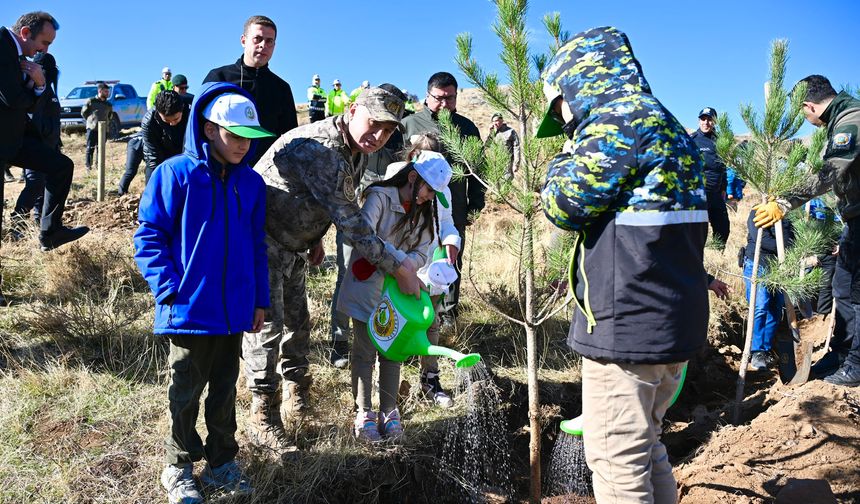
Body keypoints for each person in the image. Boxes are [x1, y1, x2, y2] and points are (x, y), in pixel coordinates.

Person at [537, 27, 708, 503]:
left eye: (560, 107)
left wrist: (559, 163)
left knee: (615, 463)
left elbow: (563, 205)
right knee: (646, 447)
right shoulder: (668, 124)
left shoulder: (618, 122)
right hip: (670, 321)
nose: (565, 121)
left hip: (629, 328)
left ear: (577, 84)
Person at [245, 85, 417, 455]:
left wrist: (314, 235)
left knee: (298, 325)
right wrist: (398, 267)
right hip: (261, 242)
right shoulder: (320, 148)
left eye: (388, 131)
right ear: (352, 109)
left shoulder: (352, 148)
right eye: (374, 124)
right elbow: (353, 224)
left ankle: (297, 400)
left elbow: (320, 198)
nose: (378, 136)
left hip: (292, 245)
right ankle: (264, 419)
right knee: (268, 330)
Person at [134, 83, 274, 504]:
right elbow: (149, 236)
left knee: (226, 389)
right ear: (210, 130)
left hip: (235, 310)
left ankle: (221, 463)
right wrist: (170, 289)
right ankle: (178, 466)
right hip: (190, 309)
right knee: (185, 389)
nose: (243, 146)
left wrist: (259, 299)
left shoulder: (251, 183)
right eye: (235, 136)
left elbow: (256, 244)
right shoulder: (175, 173)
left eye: (250, 138)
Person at [753, 75, 860, 387]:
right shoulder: (841, 118)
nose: (805, 120)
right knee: (842, 286)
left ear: (808, 105)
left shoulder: (851, 120)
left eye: (802, 114)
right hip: (854, 220)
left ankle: (856, 364)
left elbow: (829, 171)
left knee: (855, 292)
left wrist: (786, 201)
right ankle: (840, 354)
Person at [337, 150, 445, 441]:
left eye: (434, 194)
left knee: (391, 350)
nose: (429, 198)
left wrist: (409, 266)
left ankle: (389, 410)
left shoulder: (423, 212)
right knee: (364, 350)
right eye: (428, 190)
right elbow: (365, 236)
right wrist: (400, 265)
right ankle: (363, 412)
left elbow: (424, 249)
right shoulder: (380, 197)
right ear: (412, 177)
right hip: (367, 287)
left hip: (397, 293)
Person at [0, 11, 89, 305]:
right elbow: (11, 98)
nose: (46, 50)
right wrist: (37, 83)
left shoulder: (20, 56)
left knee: (61, 165)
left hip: (14, 140)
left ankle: (49, 232)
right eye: (44, 42)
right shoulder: (2, 46)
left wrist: (35, 85)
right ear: (25, 33)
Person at [401, 71, 484, 318]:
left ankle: (447, 314)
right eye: (439, 98)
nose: (445, 103)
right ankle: (414, 312)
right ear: (427, 96)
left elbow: (478, 170)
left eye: (450, 98)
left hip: (453, 208)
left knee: (450, 259)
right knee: (413, 260)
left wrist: (475, 204)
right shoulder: (410, 125)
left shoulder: (467, 128)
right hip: (413, 208)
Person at [391, 134, 461, 408]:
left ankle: (430, 379)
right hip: (398, 265)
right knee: (395, 322)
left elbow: (448, 223)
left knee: (430, 321)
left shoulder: (441, 188)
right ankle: (389, 385)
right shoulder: (394, 179)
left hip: (431, 264)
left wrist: (451, 242)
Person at [204, 15, 297, 166]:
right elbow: (198, 127)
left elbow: (290, 137)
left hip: (264, 176)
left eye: (269, 41)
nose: (263, 45)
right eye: (257, 39)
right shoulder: (219, 78)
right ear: (243, 40)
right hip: (219, 172)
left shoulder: (281, 88)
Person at [11, 50, 58, 237]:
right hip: (36, 145)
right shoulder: (35, 86)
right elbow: (32, 115)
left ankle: (38, 222)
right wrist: (46, 132)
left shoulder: (48, 88)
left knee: (43, 184)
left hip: (49, 146)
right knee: (35, 183)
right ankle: (17, 224)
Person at [742, 210, 795, 370]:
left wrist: (785, 247)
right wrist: (782, 247)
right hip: (758, 265)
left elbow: (793, 240)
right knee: (760, 307)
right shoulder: (758, 212)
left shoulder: (784, 216)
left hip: (778, 267)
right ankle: (756, 351)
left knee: (775, 308)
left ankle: (765, 348)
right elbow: (762, 240)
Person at [691, 107, 730, 249]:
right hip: (698, 194)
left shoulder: (720, 141)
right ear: (699, 120)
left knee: (723, 229)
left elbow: (723, 167)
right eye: (703, 119)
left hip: (716, 194)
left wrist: (724, 188)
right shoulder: (692, 140)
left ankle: (716, 257)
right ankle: (698, 262)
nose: (706, 122)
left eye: (709, 119)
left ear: (715, 122)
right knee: (697, 232)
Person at [81, 81, 112, 171]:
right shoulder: (91, 101)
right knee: (90, 149)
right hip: (92, 129)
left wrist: (107, 124)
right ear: (100, 91)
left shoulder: (108, 104)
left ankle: (99, 167)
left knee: (101, 150)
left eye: (108, 91)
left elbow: (110, 115)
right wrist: (91, 121)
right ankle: (88, 167)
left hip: (103, 130)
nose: (107, 93)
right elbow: (84, 113)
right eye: (106, 91)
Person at [486, 112, 521, 179]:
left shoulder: (510, 132)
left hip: (507, 163)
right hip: (495, 163)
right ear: (492, 122)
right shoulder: (493, 132)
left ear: (502, 121)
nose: (497, 123)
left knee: (506, 182)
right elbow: (487, 145)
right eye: (495, 121)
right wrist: (490, 133)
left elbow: (517, 148)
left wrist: (516, 164)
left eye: (499, 121)